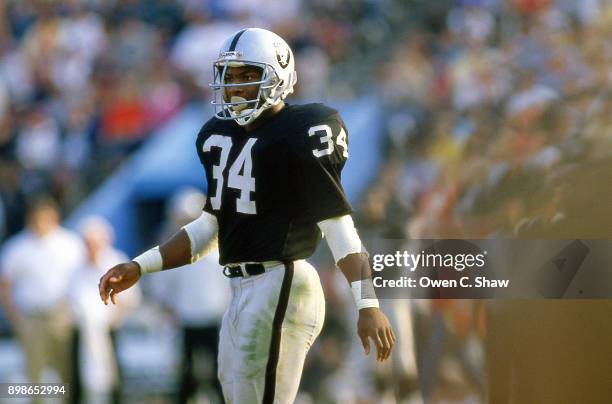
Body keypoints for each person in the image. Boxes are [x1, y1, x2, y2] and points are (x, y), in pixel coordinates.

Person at [99, 27, 396, 404]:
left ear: (278, 75)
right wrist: (141, 266)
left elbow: (338, 227)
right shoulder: (217, 134)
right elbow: (211, 227)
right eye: (229, 76)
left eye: (247, 76)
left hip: (283, 279)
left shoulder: (301, 129)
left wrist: (367, 304)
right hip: (240, 289)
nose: (234, 87)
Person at [0, 196, 84, 390]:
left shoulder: (70, 244)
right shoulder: (17, 247)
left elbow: (82, 279)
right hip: (31, 317)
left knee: (66, 373)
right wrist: (15, 317)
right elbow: (5, 285)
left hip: (61, 316)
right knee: (34, 373)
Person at [70, 216, 141, 404]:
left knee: (114, 374)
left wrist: (113, 316)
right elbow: (68, 297)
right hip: (82, 330)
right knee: (77, 375)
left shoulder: (117, 262)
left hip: (111, 328)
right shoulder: (75, 266)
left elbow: (132, 299)